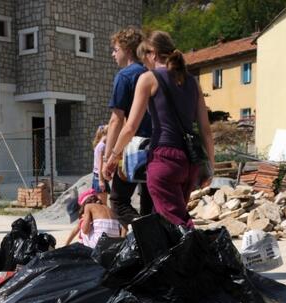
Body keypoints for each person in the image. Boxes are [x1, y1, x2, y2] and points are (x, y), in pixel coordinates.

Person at [104, 31, 214, 228]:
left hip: (164, 158)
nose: (144, 64)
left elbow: (130, 127)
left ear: (152, 53)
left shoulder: (148, 79)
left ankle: (201, 248)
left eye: (144, 57)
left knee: (176, 224)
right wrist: (210, 167)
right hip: (190, 162)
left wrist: (113, 156)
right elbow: (205, 130)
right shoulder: (192, 81)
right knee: (164, 223)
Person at [103, 26, 153, 229]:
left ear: (128, 50)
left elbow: (116, 120)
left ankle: (144, 232)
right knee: (149, 204)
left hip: (135, 148)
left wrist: (109, 157)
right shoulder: (152, 74)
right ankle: (152, 241)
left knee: (118, 201)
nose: (113, 54)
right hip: (158, 145)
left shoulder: (125, 76)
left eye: (116, 49)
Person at [91, 125, 110, 205]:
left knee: (99, 204)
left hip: (96, 177)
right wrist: (101, 180)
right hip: (99, 177)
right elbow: (100, 165)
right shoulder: (103, 146)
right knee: (103, 205)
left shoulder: (98, 145)